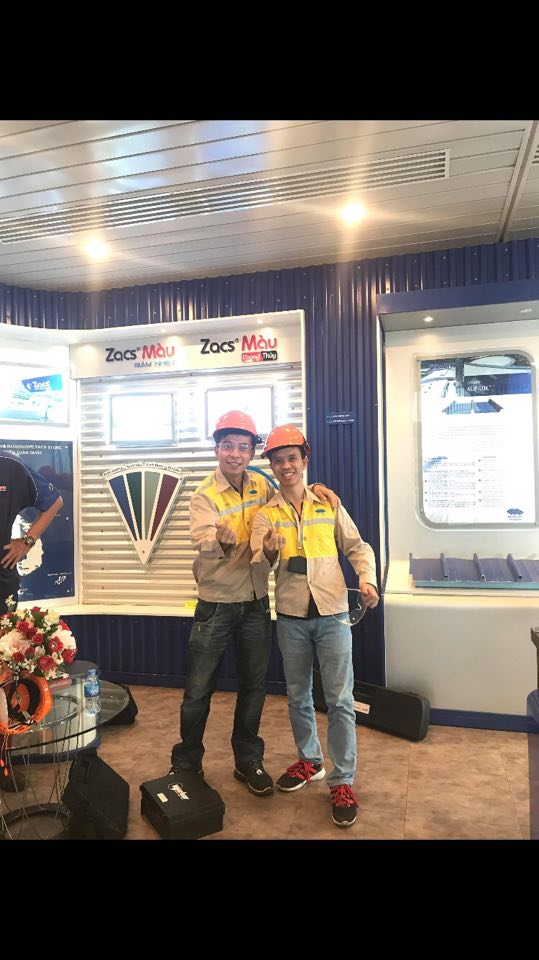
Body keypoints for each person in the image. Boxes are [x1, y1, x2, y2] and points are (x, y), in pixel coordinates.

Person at [171, 411, 338, 797]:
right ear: (217, 449)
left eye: (243, 447)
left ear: (251, 452)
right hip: (216, 604)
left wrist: (317, 488)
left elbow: (290, 493)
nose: (235, 453)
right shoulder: (204, 495)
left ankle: (247, 759)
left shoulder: (262, 485)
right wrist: (221, 541)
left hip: (257, 603)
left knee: (253, 687)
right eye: (228, 446)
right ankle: (186, 765)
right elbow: (202, 541)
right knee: (198, 690)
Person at [250, 425, 379, 827]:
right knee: (298, 696)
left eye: (292, 458)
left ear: (305, 461)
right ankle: (310, 761)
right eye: (278, 460)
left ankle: (343, 780)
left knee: (340, 700)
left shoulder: (328, 503)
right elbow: (258, 565)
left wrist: (367, 579)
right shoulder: (266, 515)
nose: (285, 466)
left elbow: (357, 547)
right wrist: (267, 550)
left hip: (333, 615)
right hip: (291, 618)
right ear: (272, 467)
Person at [0, 451, 63, 792]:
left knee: (3, 673)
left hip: (1, 580)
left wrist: (26, 540)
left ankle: (2, 762)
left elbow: (54, 501)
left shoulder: (10, 466)